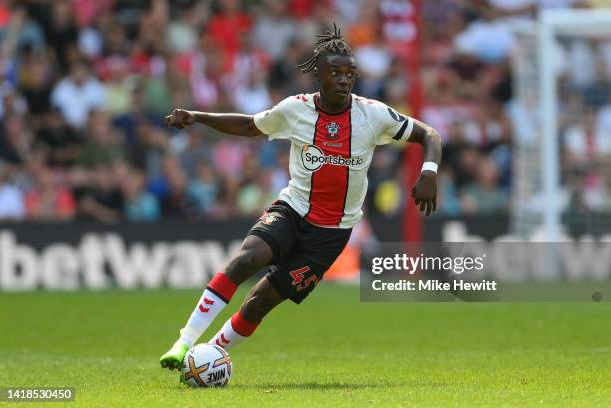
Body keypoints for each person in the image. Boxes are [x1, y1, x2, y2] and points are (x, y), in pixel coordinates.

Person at [159, 24, 442, 371]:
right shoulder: (296, 110)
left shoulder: (373, 115)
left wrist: (428, 171)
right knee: (247, 259)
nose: (343, 79)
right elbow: (249, 125)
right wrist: (197, 117)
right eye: (334, 72)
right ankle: (184, 342)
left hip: (330, 235)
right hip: (292, 209)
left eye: (349, 73)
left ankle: (206, 358)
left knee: (260, 302)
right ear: (317, 75)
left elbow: (430, 134)